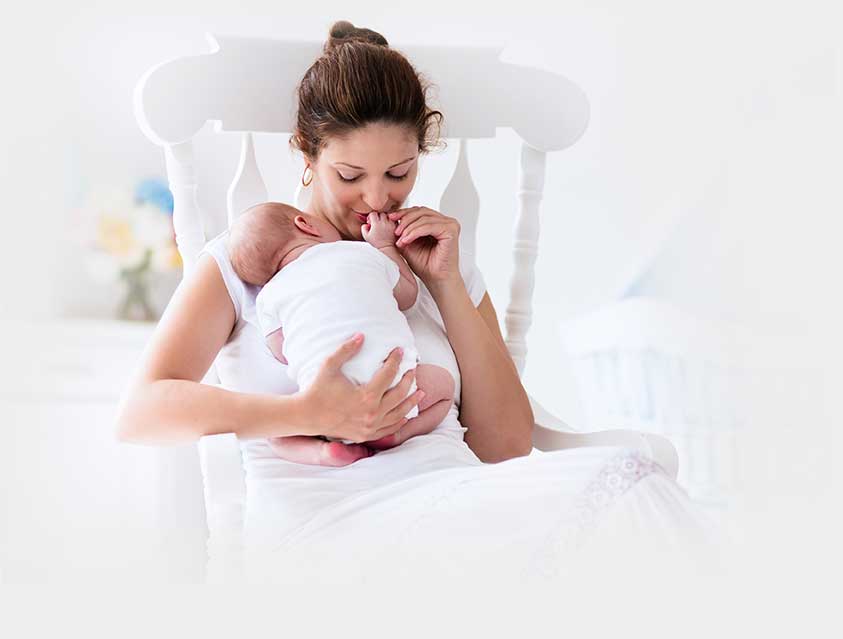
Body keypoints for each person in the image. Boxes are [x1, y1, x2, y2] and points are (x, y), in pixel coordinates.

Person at [117, 20, 721, 585]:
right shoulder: (251, 259)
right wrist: (307, 412)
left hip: (453, 501)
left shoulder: (435, 262)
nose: (375, 198)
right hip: (328, 528)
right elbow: (141, 413)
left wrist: (447, 283)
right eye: (350, 176)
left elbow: (505, 447)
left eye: (398, 174)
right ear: (307, 155)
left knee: (632, 483)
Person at [227, 200, 455, 462]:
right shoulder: (361, 253)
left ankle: (323, 452)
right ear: (305, 224)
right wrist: (384, 246)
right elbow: (407, 295)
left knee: (276, 435)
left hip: (324, 402)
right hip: (395, 390)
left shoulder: (268, 296)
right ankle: (397, 434)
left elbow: (281, 351)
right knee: (444, 386)